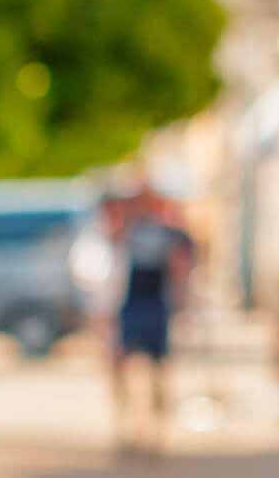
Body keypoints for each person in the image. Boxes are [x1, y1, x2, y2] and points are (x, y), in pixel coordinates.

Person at [99, 175, 193, 454]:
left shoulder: (169, 232)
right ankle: (125, 424)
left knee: (158, 368)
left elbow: (182, 262)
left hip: (155, 301)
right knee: (120, 363)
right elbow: (109, 249)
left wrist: (182, 297)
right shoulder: (127, 229)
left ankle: (157, 429)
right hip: (130, 301)